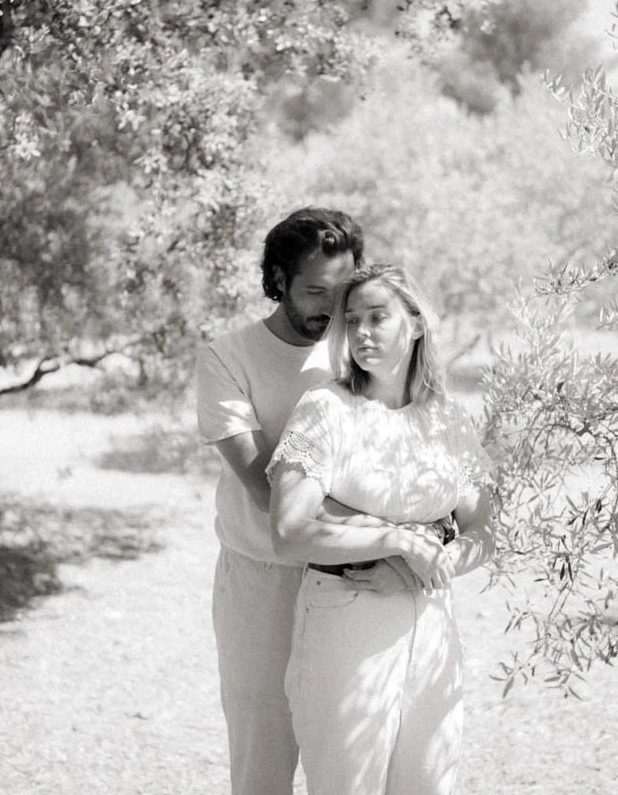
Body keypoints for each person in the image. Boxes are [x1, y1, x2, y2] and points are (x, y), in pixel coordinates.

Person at [267, 264, 496, 795]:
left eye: (378, 317)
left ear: (415, 324)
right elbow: (290, 530)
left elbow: (485, 530)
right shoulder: (326, 410)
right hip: (344, 617)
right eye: (352, 321)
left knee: (428, 783)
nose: (362, 332)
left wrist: (422, 571)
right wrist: (394, 542)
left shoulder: (446, 419)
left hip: (433, 624)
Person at [195, 207, 365, 795]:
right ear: (277, 280)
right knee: (261, 762)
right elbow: (265, 489)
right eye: (315, 290)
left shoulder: (359, 352)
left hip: (352, 579)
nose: (330, 305)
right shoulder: (227, 358)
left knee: (346, 759)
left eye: (342, 289)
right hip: (261, 582)